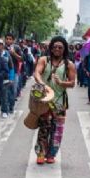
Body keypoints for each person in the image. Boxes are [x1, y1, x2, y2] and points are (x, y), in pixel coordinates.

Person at [33, 36, 76, 164]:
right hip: (44, 100)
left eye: (60, 47)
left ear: (64, 49)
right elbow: (37, 73)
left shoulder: (69, 65)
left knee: (57, 130)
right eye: (55, 47)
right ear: (51, 48)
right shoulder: (44, 60)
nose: (57, 49)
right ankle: (41, 153)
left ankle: (51, 154)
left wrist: (61, 82)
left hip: (60, 102)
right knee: (44, 127)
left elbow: (73, 83)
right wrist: (43, 84)